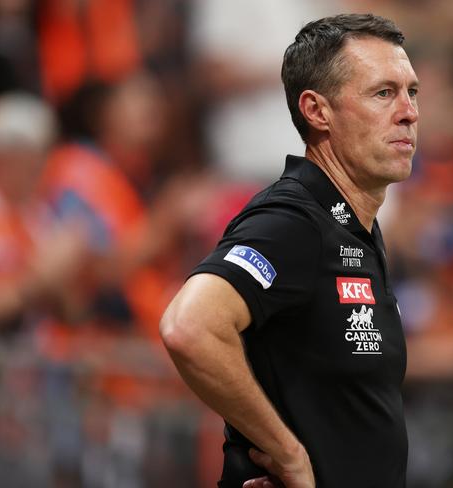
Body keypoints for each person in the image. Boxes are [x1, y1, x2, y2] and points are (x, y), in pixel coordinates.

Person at [160, 13, 419, 487]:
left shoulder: (354, 226)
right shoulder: (295, 221)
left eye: (411, 92)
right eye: (383, 93)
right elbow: (189, 327)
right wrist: (287, 453)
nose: (408, 111)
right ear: (317, 111)